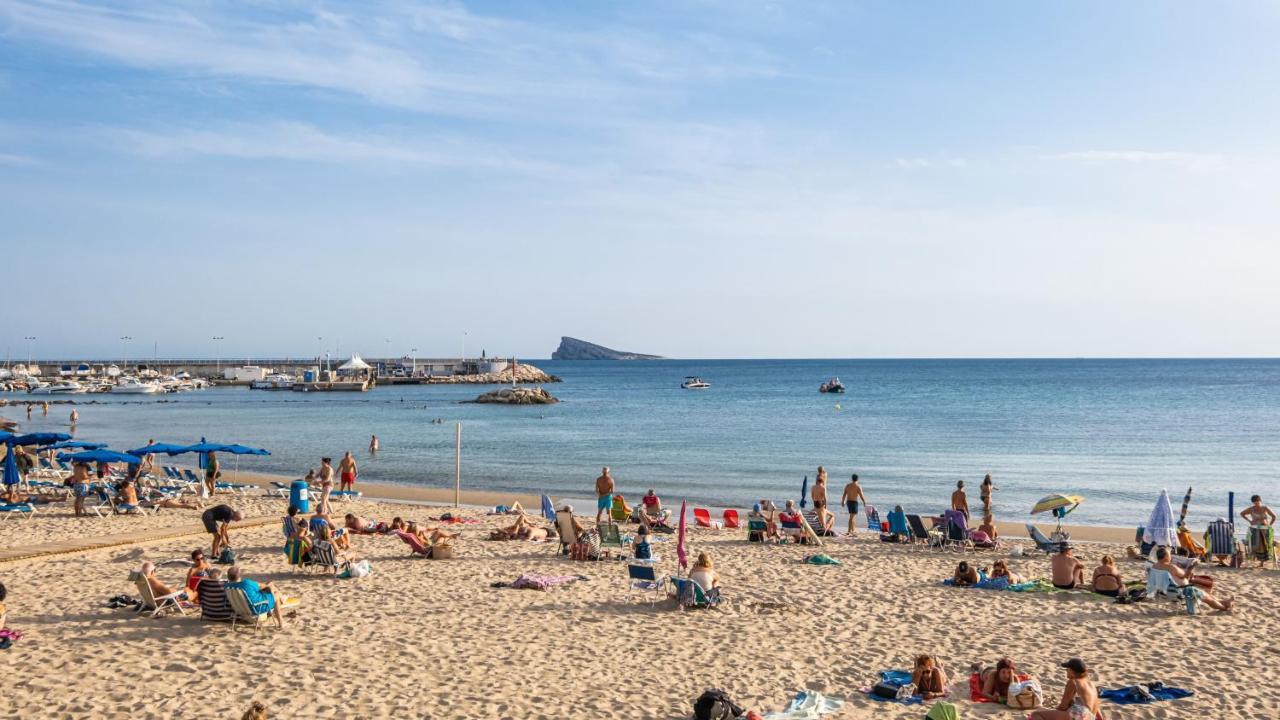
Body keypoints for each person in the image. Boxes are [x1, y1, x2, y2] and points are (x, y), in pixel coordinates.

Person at [1152, 547, 1233, 611]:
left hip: (1165, 592)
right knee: (1207, 598)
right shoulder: (1171, 567)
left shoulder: (1154, 567)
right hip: (1180, 592)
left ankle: (1225, 602)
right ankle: (1224, 608)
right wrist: (1192, 566)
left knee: (1206, 595)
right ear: (1166, 556)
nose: (1170, 556)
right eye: (1169, 554)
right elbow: (1185, 575)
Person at [1029, 658, 1103, 720]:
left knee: (1036, 715)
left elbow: (1063, 706)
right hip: (1091, 717)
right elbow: (1098, 713)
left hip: (1079, 715)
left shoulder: (1074, 681)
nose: (1066, 671)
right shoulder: (1092, 685)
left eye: (1067, 669)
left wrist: (1054, 711)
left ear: (1072, 671)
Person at [224, 566, 291, 629]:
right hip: (257, 608)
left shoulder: (227, 586)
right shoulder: (246, 583)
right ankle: (281, 622)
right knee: (276, 595)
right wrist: (269, 585)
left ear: (228, 576)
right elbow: (262, 586)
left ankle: (282, 599)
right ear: (240, 576)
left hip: (241, 609)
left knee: (270, 590)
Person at [1240, 495, 1276, 568]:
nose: (1256, 503)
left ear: (1260, 501)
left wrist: (1270, 525)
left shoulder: (1265, 508)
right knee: (1257, 546)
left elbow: (1274, 516)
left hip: (1265, 529)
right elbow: (1242, 514)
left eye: (1257, 501)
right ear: (1253, 502)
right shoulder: (1251, 509)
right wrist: (1249, 521)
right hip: (1255, 529)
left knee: (1264, 546)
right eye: (1255, 502)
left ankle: (1262, 563)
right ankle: (1257, 561)